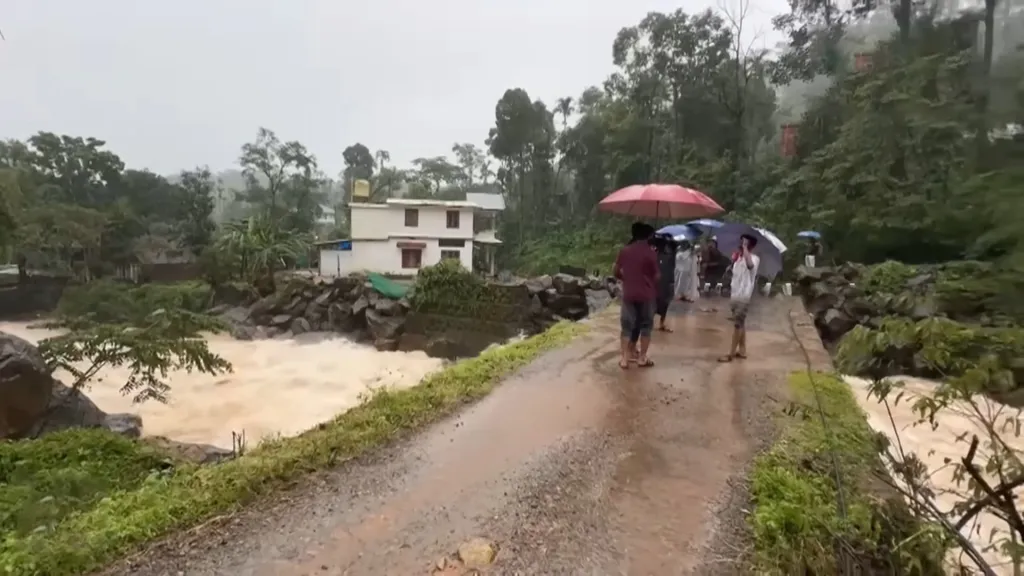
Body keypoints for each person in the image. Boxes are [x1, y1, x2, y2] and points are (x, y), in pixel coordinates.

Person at [614, 222, 659, 369]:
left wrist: (626, 279)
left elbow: (616, 271)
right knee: (646, 326)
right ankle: (642, 358)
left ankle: (624, 359)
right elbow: (657, 276)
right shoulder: (651, 253)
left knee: (626, 327)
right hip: (646, 294)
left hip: (629, 293)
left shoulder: (625, 251)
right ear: (648, 236)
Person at [719, 234, 760, 363]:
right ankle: (742, 350)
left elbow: (749, 266)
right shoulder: (738, 258)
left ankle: (730, 354)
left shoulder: (754, 258)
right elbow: (734, 274)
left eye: (744, 243)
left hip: (744, 296)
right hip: (735, 294)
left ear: (750, 245)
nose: (740, 245)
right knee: (741, 323)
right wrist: (732, 265)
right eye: (741, 242)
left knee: (737, 324)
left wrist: (745, 248)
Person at [654, 234, 677, 332]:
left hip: (666, 281)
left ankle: (661, 323)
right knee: (655, 301)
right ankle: (657, 322)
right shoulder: (656, 254)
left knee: (664, 302)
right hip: (659, 281)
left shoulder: (670, 255)